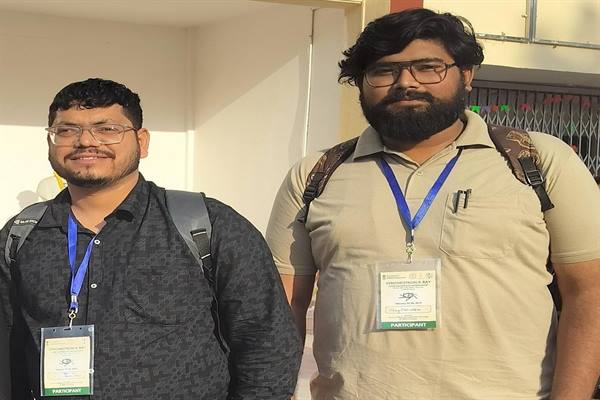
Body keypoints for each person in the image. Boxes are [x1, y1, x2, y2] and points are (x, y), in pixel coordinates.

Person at [266, 8, 600, 400]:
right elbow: (281, 306)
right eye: (384, 70)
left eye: (428, 67)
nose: (406, 83)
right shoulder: (316, 176)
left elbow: (589, 293)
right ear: (360, 83)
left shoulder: (536, 161)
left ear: (467, 74)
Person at [0, 78, 302, 399]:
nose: (86, 141)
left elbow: (268, 344)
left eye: (107, 129)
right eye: (66, 130)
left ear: (142, 141)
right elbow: (8, 352)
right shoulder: (22, 236)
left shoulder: (207, 225)